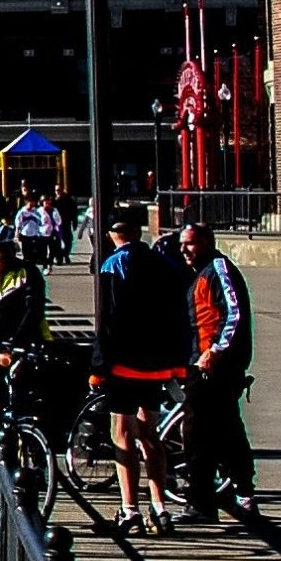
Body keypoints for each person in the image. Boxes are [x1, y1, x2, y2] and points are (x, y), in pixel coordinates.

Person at [91, 204, 195, 533]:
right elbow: (181, 316)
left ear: (110, 235)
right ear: (138, 233)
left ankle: (129, 509)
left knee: (122, 435)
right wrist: (178, 362)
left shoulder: (112, 265)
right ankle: (160, 507)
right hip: (159, 365)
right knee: (150, 435)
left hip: (124, 366)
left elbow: (107, 321)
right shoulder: (164, 264)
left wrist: (99, 365)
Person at [181, 218, 258, 520]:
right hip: (202, 362)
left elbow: (233, 313)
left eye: (190, 243)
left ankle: (202, 501)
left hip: (215, 366)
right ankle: (236, 492)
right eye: (182, 244)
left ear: (207, 242)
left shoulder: (218, 269)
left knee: (198, 431)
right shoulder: (198, 273)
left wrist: (215, 350)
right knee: (225, 429)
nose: (184, 249)